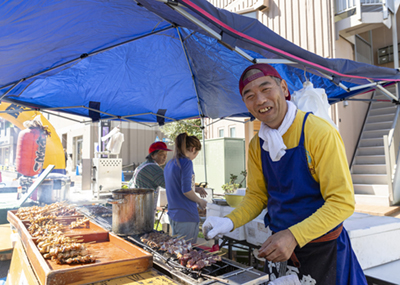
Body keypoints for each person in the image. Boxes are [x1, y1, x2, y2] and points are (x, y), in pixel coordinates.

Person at [203, 63, 367, 284]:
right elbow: (257, 197)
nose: (260, 100)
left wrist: (293, 236)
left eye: (266, 88)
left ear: (283, 88)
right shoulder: (256, 146)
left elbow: (341, 202)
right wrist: (228, 222)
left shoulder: (318, 133)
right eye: (249, 95)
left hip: (323, 249)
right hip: (280, 248)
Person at [164, 133, 208, 243]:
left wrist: (196, 189)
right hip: (186, 215)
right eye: (196, 153)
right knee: (186, 253)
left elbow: (176, 186)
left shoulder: (170, 163)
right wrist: (200, 201)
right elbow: (186, 191)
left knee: (177, 251)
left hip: (174, 215)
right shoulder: (187, 162)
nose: (195, 156)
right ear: (193, 149)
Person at [128, 141, 172, 209]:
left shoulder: (144, 165)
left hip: (135, 204)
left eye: (166, 154)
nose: (165, 157)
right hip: (143, 208)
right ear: (152, 155)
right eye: (161, 154)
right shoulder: (154, 168)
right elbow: (169, 185)